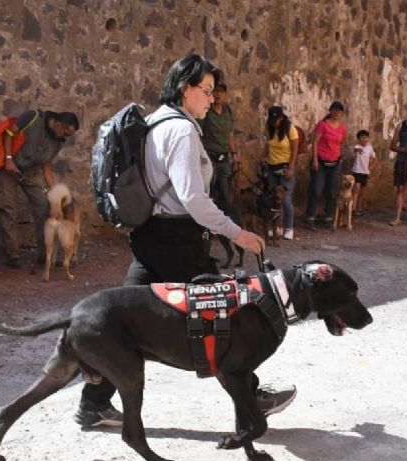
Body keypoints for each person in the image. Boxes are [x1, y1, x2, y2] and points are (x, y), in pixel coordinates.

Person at [75, 53, 296, 428]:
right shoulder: (181, 130)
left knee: (125, 318)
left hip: (149, 235)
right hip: (177, 239)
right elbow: (193, 199)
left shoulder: (153, 123)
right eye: (206, 91)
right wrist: (237, 233)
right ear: (184, 88)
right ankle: (252, 399)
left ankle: (94, 402)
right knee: (222, 316)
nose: (211, 99)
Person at [0, 109, 79, 268]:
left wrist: (55, 191)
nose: (66, 137)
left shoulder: (57, 141)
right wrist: (8, 159)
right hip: (8, 167)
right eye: (66, 133)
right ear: (58, 124)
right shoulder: (32, 118)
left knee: (43, 206)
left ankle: (45, 254)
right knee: (7, 207)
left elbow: (46, 165)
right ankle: (11, 254)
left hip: (30, 172)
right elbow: (8, 133)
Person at [303, 101, 348, 230]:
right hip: (321, 162)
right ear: (330, 111)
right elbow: (315, 142)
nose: (336, 113)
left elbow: (341, 143)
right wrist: (315, 160)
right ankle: (310, 217)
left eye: (339, 111)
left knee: (331, 191)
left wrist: (338, 156)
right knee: (316, 189)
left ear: (341, 114)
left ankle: (328, 217)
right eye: (334, 110)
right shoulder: (322, 125)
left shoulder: (342, 128)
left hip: (335, 163)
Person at [198, 82, 238, 205]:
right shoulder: (206, 111)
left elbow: (229, 133)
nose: (218, 94)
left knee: (226, 192)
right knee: (209, 191)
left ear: (225, 94)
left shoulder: (227, 111)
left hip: (224, 158)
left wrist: (234, 153)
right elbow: (198, 133)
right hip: (209, 157)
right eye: (215, 91)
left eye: (221, 91)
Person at [263, 105, 299, 239]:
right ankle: (276, 227)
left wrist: (291, 167)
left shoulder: (290, 129)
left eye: (276, 119)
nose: (274, 122)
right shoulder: (270, 128)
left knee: (286, 199)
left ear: (281, 118)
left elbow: (295, 150)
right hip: (272, 166)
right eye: (272, 119)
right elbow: (268, 145)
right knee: (273, 199)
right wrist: (263, 157)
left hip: (285, 166)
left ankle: (289, 227)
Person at [350, 130, 376, 215]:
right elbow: (353, 150)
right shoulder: (356, 147)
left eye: (366, 137)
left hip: (365, 173)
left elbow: (374, 158)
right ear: (358, 139)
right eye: (362, 137)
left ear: (368, 139)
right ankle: (352, 209)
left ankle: (358, 209)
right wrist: (357, 150)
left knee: (361, 192)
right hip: (357, 171)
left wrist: (369, 168)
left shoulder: (369, 148)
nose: (364, 139)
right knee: (356, 190)